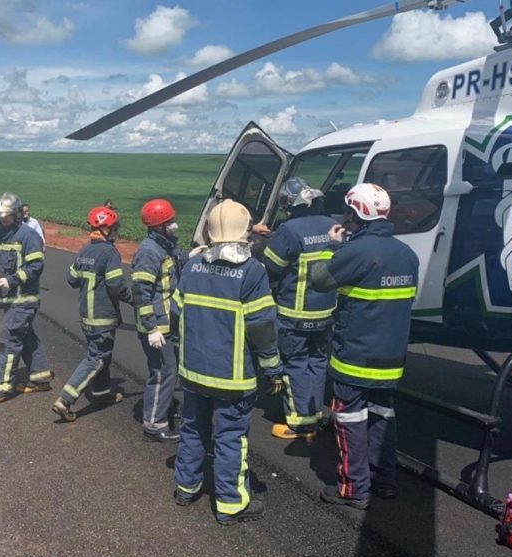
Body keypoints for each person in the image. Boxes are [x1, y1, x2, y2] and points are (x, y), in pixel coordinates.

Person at [173, 199, 285, 525]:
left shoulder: (191, 267)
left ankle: (185, 487)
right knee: (230, 437)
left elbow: (177, 314)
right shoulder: (251, 272)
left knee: (193, 428)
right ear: (245, 230)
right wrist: (273, 368)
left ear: (209, 230)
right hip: (233, 378)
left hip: (193, 371)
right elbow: (263, 326)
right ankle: (231, 504)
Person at [310, 183, 418, 509]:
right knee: (383, 415)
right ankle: (384, 479)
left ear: (355, 215)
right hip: (392, 356)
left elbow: (320, 279)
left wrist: (333, 247)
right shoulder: (406, 254)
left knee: (349, 419)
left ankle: (354, 488)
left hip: (356, 355)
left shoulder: (356, 252)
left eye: (347, 211)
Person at [262, 178, 337, 440]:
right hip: (326, 313)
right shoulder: (332, 226)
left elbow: (271, 267)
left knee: (295, 364)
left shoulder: (289, 230)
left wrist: (269, 240)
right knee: (318, 362)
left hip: (294, 314)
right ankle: (315, 413)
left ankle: (300, 423)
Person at [51, 205, 132, 422]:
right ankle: (65, 399)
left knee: (103, 355)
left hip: (86, 316)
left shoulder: (85, 251)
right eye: (115, 228)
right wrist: (134, 299)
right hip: (103, 316)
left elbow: (71, 279)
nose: (117, 232)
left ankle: (101, 393)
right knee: (96, 357)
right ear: (106, 229)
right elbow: (116, 285)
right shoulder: (109, 253)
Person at [0, 192, 53, 404]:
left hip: (24, 299)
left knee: (9, 340)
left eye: (7, 216)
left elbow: (36, 266)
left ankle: (2, 387)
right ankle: (41, 379)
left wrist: (11, 280)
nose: (3, 220)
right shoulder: (1, 235)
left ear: (16, 214)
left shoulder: (29, 236)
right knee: (27, 336)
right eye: (1, 216)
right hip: (10, 299)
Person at [131, 198, 187, 442]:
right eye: (169, 221)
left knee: (168, 370)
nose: (174, 224)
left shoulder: (165, 246)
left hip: (167, 324)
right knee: (163, 372)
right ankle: (154, 424)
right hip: (157, 327)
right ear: (158, 226)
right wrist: (152, 328)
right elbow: (141, 292)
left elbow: (178, 260)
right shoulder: (148, 251)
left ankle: (159, 414)